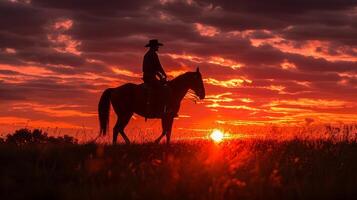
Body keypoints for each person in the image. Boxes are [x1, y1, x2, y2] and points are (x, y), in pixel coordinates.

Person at [142, 39, 172, 116]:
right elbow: (158, 67)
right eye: (157, 46)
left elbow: (155, 68)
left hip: (147, 76)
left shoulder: (147, 54)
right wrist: (164, 75)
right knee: (165, 89)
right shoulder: (153, 54)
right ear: (154, 46)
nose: (158, 47)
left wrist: (160, 75)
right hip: (150, 77)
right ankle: (163, 109)